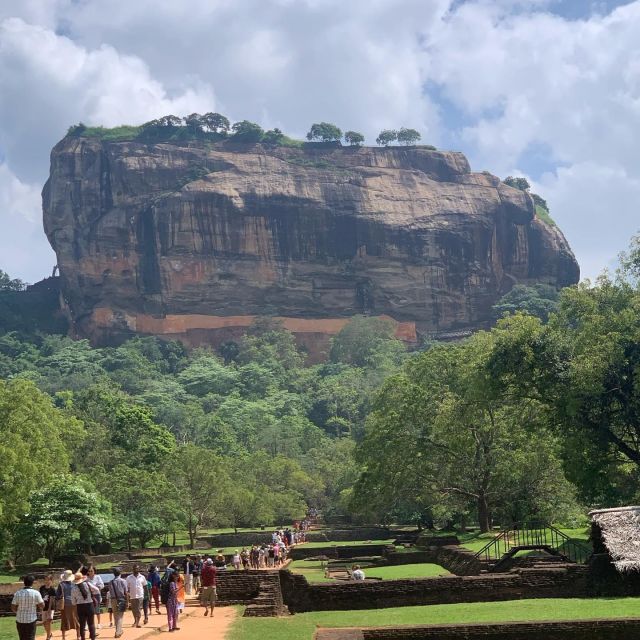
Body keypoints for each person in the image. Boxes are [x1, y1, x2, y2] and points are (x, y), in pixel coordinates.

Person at [11, 574, 43, 640]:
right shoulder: (36, 593)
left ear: (24, 582)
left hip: (20, 619)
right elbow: (42, 605)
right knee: (30, 637)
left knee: (22, 638)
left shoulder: (18, 593)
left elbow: (13, 607)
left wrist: (18, 612)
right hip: (31, 619)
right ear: (32, 583)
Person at [71, 572, 99, 640]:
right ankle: (93, 638)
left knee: (82, 624)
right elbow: (97, 590)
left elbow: (73, 602)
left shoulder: (73, 588)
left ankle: (83, 638)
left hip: (80, 606)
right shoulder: (87, 584)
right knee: (91, 623)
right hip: (89, 605)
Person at [57, 569, 79, 640]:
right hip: (74, 603)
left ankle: (63, 638)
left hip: (65, 604)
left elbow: (57, 595)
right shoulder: (75, 584)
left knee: (64, 620)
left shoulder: (61, 585)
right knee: (75, 619)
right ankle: (78, 636)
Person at [108, 568, 128, 639]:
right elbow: (126, 593)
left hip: (113, 600)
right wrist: (127, 601)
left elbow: (110, 592)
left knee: (115, 616)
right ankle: (118, 631)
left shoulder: (110, 582)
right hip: (121, 599)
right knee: (120, 616)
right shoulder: (123, 581)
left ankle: (119, 630)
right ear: (120, 573)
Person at [39, 574, 56, 640]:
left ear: (51, 580)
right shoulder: (42, 588)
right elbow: (40, 598)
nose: (47, 581)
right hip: (43, 607)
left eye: (48, 580)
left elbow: (51, 599)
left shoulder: (52, 589)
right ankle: (50, 633)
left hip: (50, 607)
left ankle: (48, 636)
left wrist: (49, 609)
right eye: (45, 580)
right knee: (44, 622)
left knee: (48, 621)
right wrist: (40, 607)